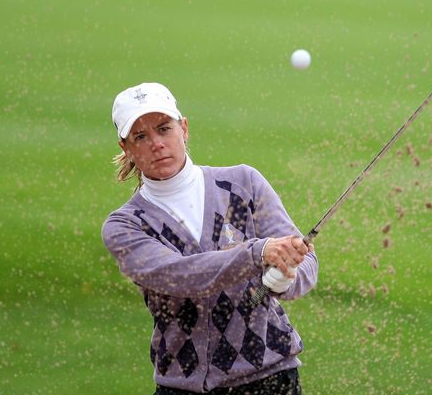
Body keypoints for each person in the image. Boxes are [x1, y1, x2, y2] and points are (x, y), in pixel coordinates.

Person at [101, 82, 318, 394]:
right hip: (186, 385)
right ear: (126, 148)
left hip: (271, 376)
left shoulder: (243, 183)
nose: (156, 143)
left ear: (184, 128)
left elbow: (306, 261)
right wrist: (257, 254)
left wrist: (285, 277)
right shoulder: (127, 225)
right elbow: (180, 277)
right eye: (141, 136)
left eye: (164, 129)